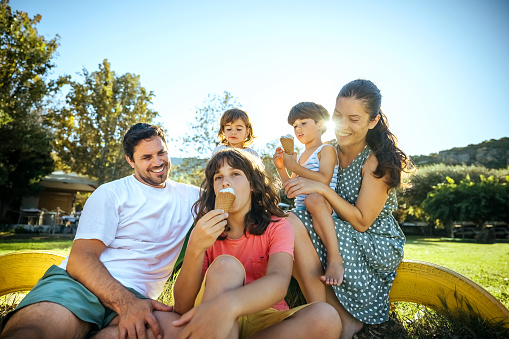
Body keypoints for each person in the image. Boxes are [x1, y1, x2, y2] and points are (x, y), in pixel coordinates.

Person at [0, 123, 200, 339]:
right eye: (147, 157)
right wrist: (126, 303)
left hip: (139, 299)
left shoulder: (192, 197)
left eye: (161, 153)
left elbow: (235, 192)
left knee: (187, 332)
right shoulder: (112, 193)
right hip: (80, 286)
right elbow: (81, 259)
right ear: (130, 161)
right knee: (32, 333)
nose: (158, 162)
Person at [284, 79, 413, 339]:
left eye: (354, 119)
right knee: (283, 224)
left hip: (373, 241)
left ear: (373, 121)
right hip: (332, 225)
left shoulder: (378, 160)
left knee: (292, 223)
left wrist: (322, 190)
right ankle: (332, 318)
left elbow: (363, 221)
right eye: (338, 116)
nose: (343, 125)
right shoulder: (327, 149)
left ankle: (327, 320)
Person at [171, 148, 341, 339]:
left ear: (252, 184)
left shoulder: (277, 227)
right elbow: (182, 307)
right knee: (226, 267)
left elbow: (279, 283)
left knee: (326, 317)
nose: (225, 181)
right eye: (218, 177)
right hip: (212, 316)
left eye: (235, 174)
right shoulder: (205, 232)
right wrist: (195, 247)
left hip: (264, 319)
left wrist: (229, 304)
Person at [272, 102, 343, 286]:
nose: (298, 129)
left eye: (303, 123)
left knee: (313, 198)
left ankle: (335, 258)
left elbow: (324, 179)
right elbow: (291, 188)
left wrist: (293, 166)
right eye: (295, 126)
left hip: (323, 205)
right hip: (302, 208)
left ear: (320, 124)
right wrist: (281, 169)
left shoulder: (326, 150)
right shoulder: (301, 156)